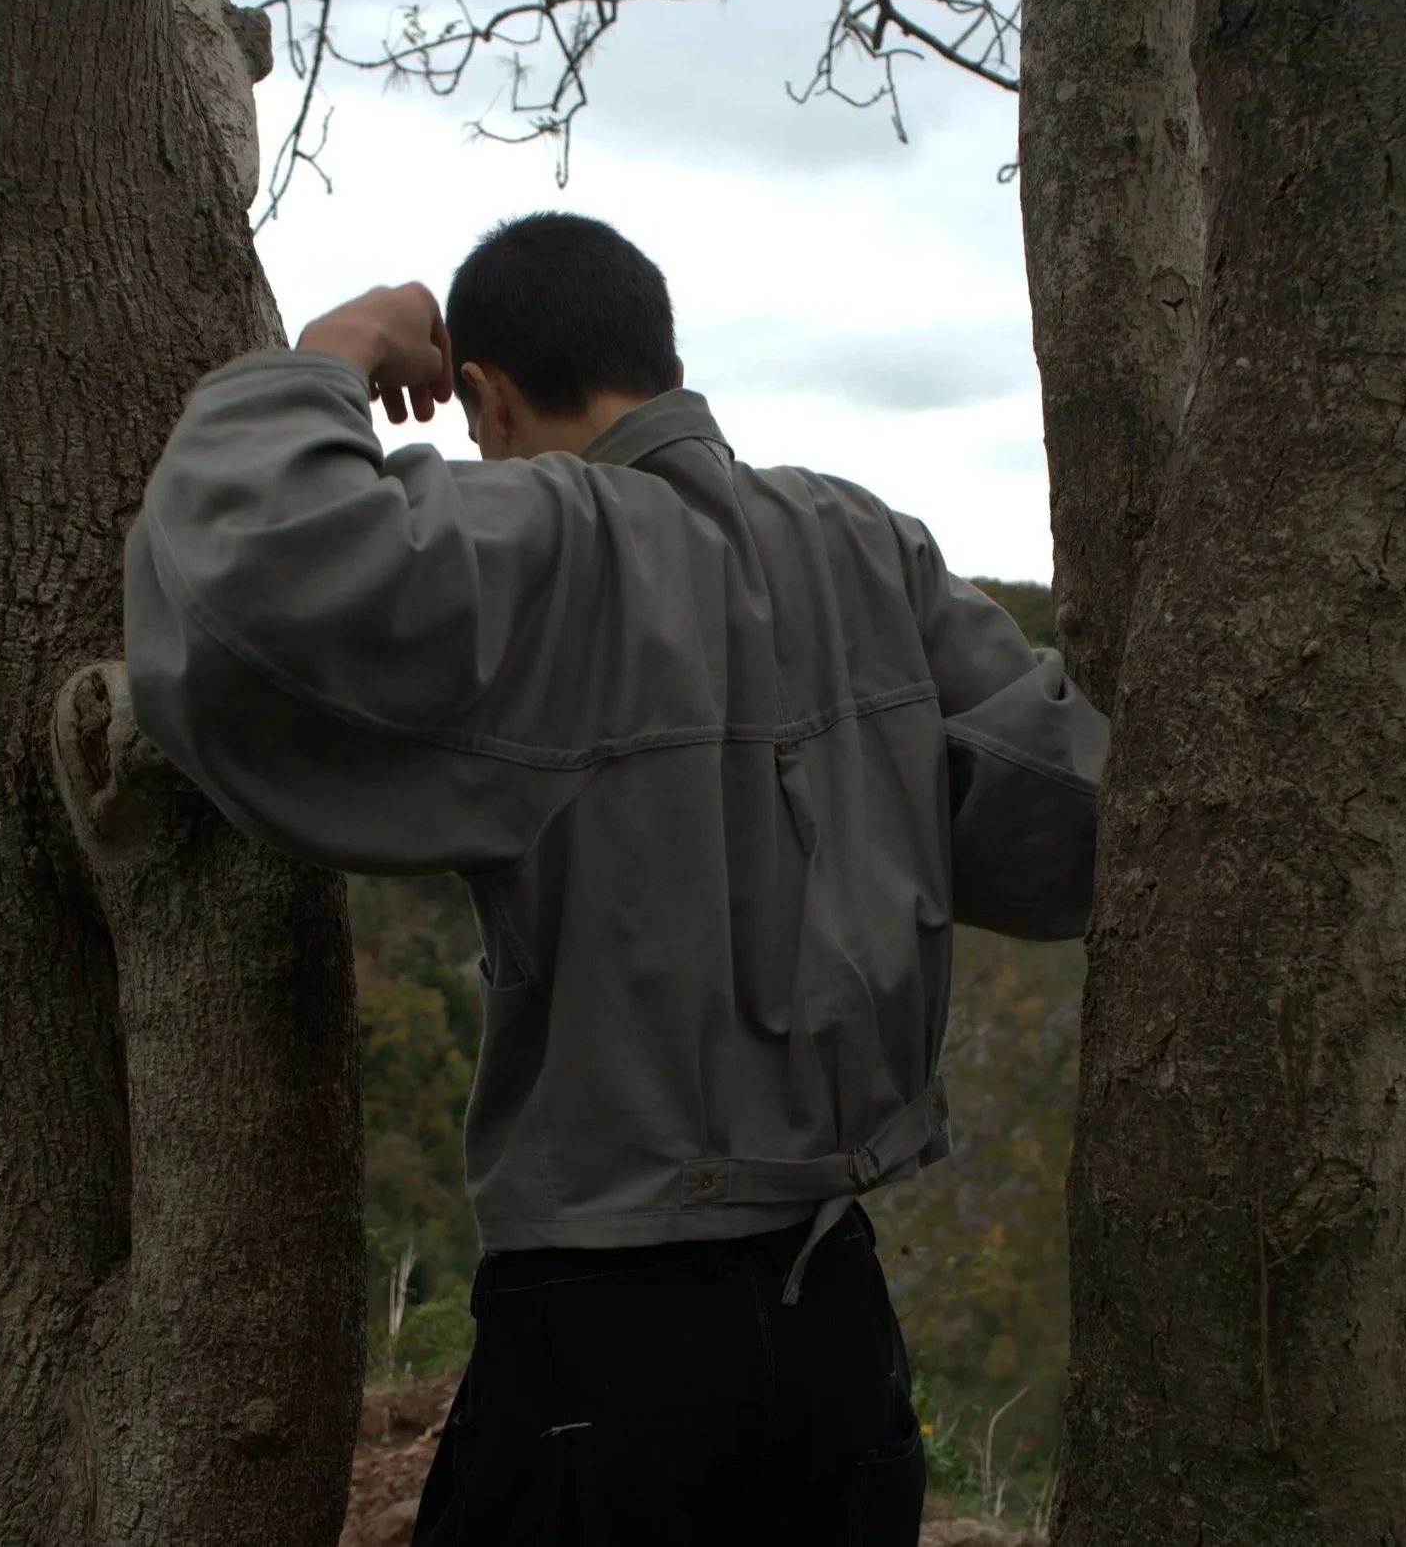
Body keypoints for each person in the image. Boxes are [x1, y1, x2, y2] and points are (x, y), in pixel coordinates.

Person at [123, 211, 1108, 1546]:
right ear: (662, 359)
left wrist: (337, 347)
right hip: (836, 1328)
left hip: (603, 1330)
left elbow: (248, 571)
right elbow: (1074, 819)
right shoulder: (866, 547)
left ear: (488, 397)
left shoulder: (543, 538)